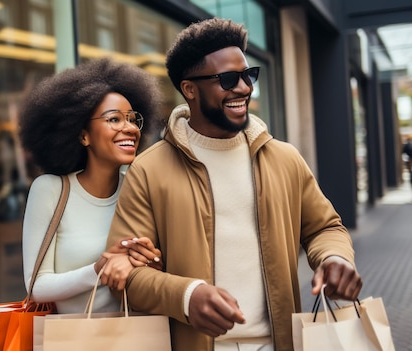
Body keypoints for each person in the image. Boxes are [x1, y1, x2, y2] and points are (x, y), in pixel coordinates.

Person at [105, 18, 363, 351]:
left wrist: (335, 259)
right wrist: (185, 296)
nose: (243, 88)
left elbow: (324, 228)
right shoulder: (149, 170)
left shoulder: (284, 159)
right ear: (190, 89)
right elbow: (124, 274)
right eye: (228, 79)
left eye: (247, 75)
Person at [19, 58, 163, 314]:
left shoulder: (140, 187)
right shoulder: (51, 190)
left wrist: (152, 264)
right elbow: (36, 286)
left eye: (132, 119)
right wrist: (99, 268)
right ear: (83, 135)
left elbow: (150, 273)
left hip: (135, 336)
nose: (129, 128)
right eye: (114, 120)